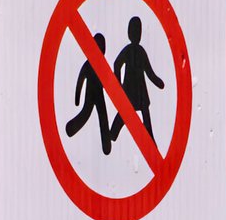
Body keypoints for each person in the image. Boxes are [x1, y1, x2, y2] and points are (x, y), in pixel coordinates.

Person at [110, 15, 167, 145]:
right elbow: (117, 64)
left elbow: (149, 71)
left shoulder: (138, 51)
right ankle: (113, 135)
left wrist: (159, 83)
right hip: (135, 90)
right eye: (136, 31)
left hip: (134, 90)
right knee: (126, 114)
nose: (138, 34)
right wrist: (117, 84)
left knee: (135, 114)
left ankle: (150, 141)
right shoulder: (132, 50)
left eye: (138, 31)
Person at [62, 29, 116, 155]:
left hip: (98, 95)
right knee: (88, 114)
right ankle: (70, 129)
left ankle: (106, 146)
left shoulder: (100, 65)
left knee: (101, 116)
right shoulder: (91, 65)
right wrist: (77, 97)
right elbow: (81, 80)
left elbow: (110, 82)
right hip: (91, 94)